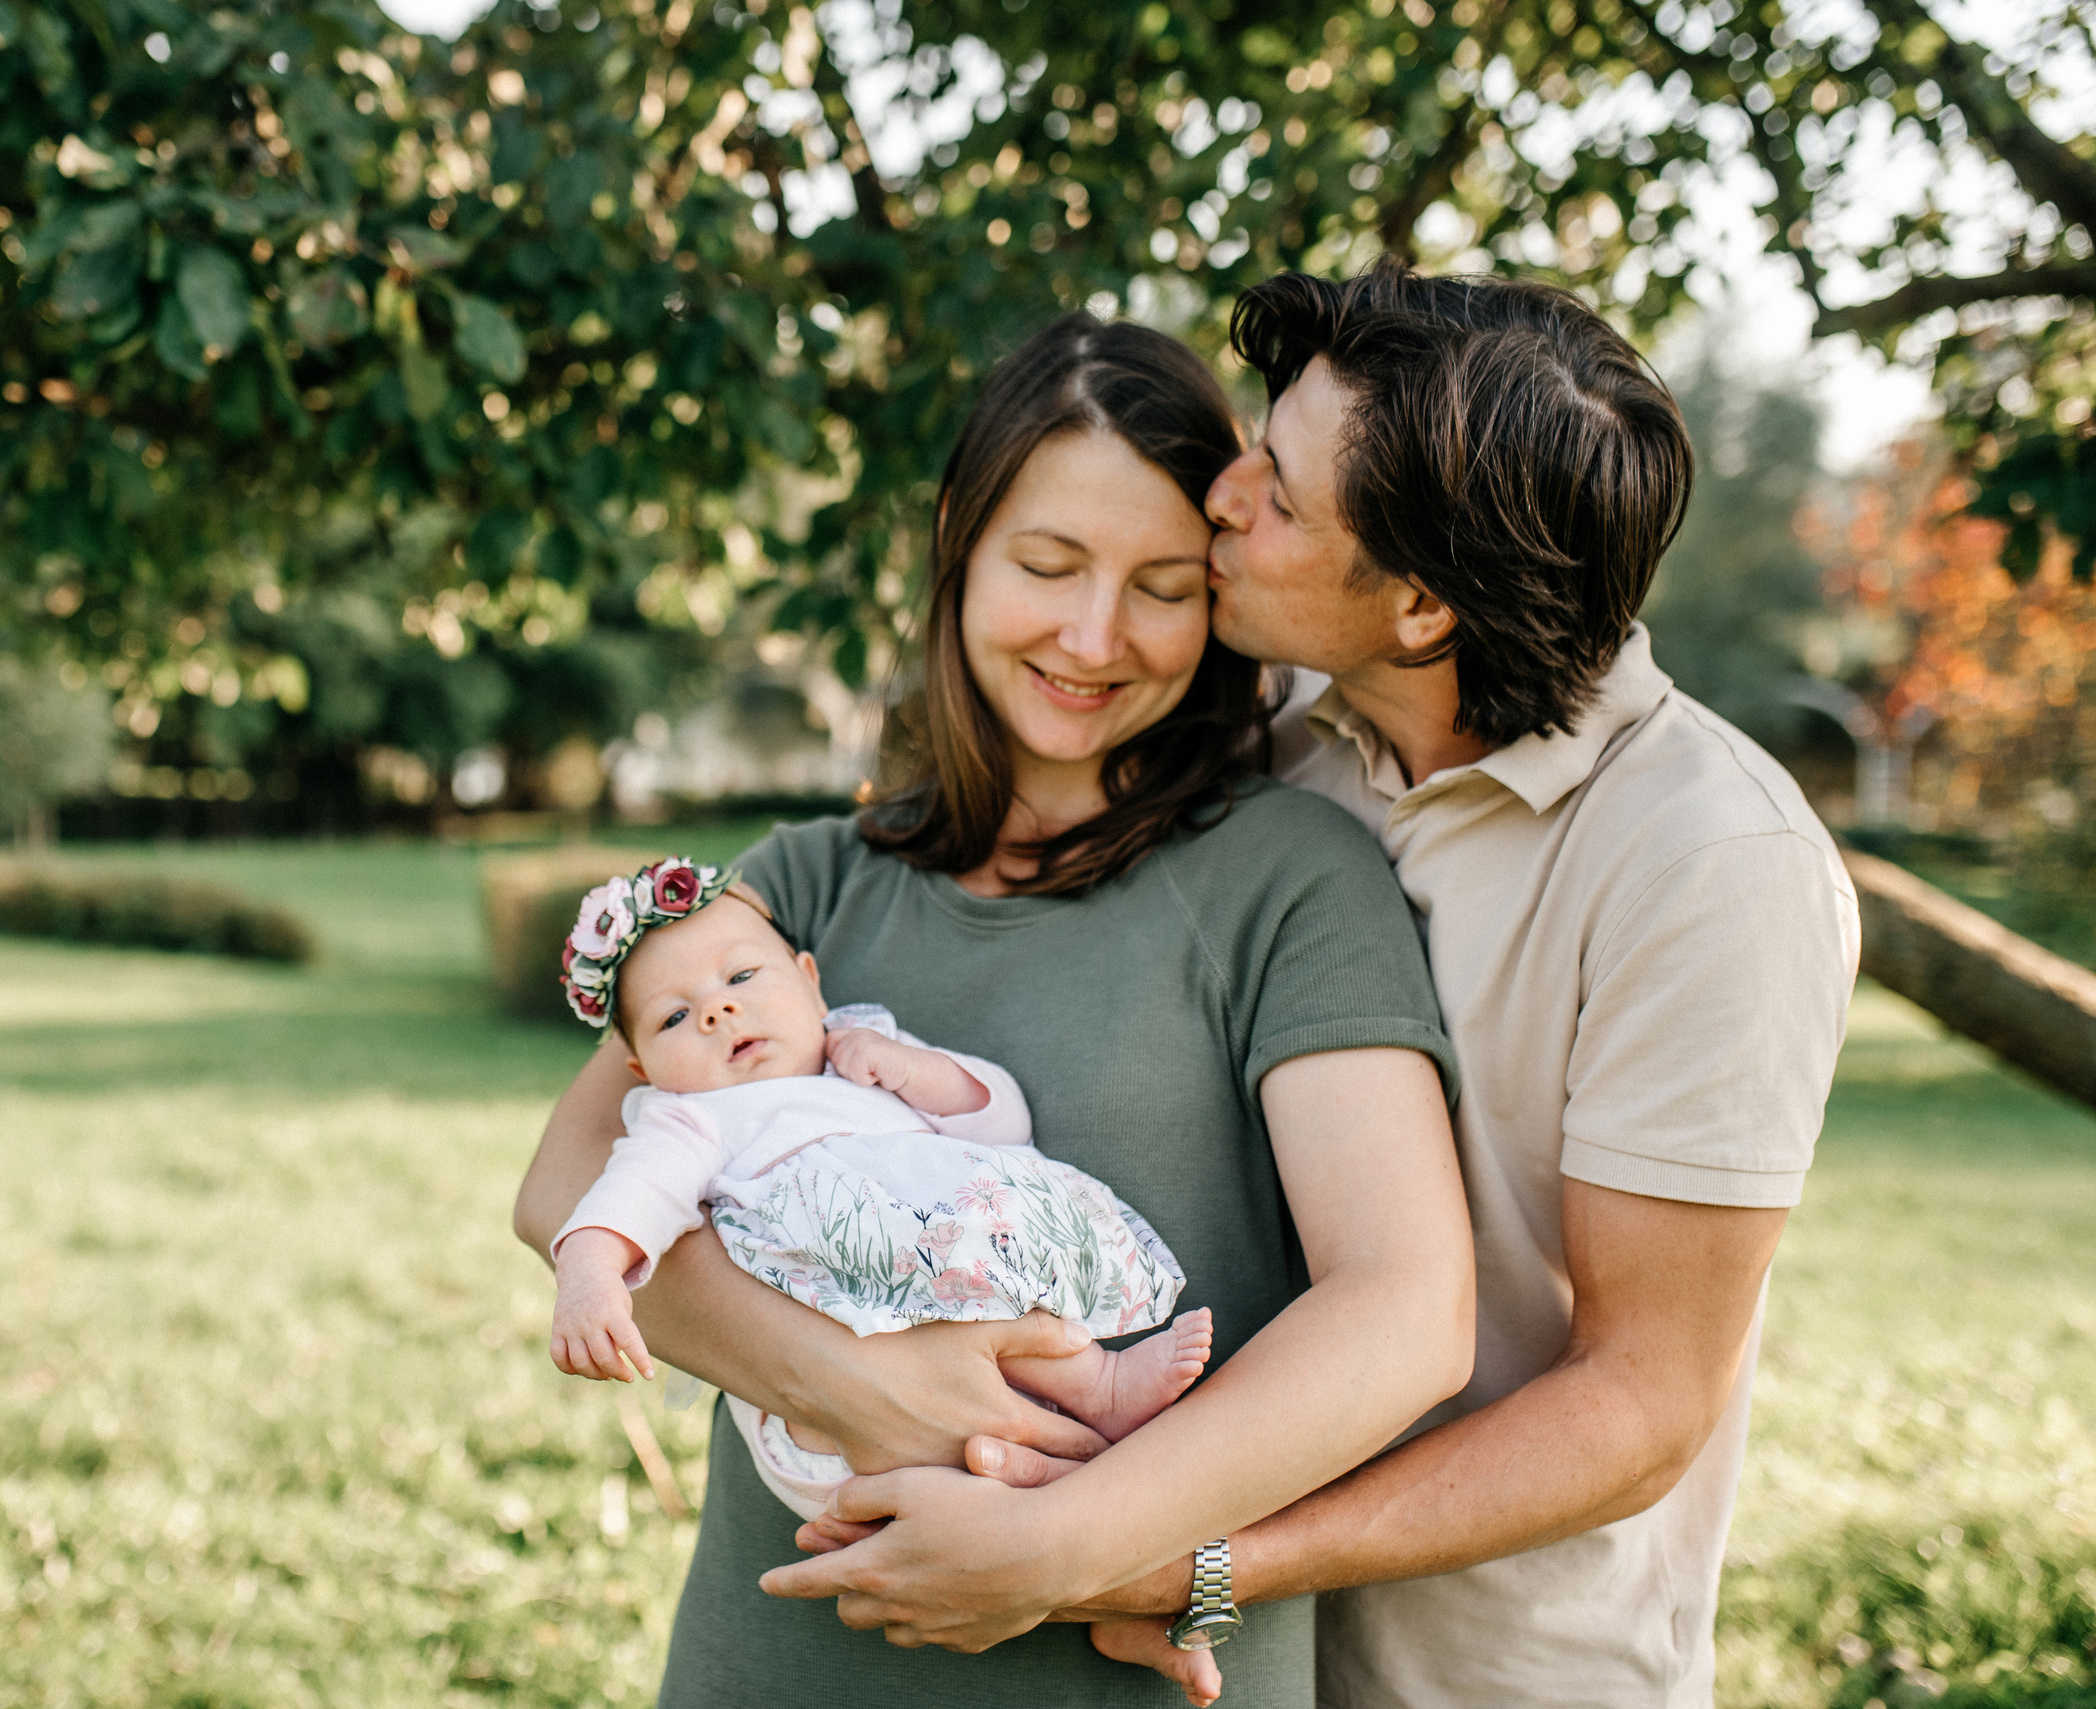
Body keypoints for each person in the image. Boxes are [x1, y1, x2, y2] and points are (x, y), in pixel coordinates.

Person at [773, 263, 1861, 1707]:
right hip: (1193, 1641)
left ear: (1418, 609)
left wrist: (1188, 1558)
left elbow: (1644, 1402)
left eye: (1277, 494)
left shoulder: (1711, 862)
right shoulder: (1281, 740)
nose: (1221, 495)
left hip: (1481, 1670)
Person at [512, 311, 1477, 1708]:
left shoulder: (1290, 877)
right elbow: (562, 1187)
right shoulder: (795, 894)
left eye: (1161, 583)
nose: (1096, 635)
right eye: (1046, 564)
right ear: (959, 545)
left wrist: (1061, 1543)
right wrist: (857, 1388)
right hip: (782, 1662)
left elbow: (1407, 1309)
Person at [543, 856, 1220, 1698]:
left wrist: (916, 1072)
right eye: (677, 1016)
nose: (719, 1010)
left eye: (743, 976)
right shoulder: (692, 1120)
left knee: (1040, 1431)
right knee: (991, 1469)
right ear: (640, 1065)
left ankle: (1140, 1606)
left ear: (809, 981)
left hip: (945, 1291)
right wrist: (591, 1276)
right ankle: (1107, 1390)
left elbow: (1001, 1118)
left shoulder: (863, 1049)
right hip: (843, 1378)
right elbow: (627, 1195)